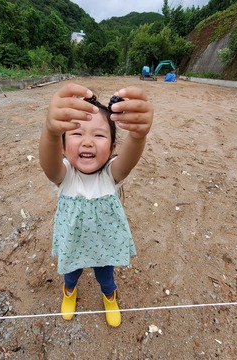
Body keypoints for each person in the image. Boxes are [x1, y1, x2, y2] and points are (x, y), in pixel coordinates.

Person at [39, 84, 153, 327]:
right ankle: (69, 293)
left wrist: (138, 135)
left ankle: (109, 297)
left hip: (105, 244)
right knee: (71, 275)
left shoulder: (111, 174)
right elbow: (48, 163)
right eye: (77, 134)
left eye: (99, 135)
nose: (88, 142)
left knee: (106, 276)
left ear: (113, 148)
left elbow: (129, 159)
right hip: (74, 243)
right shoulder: (65, 175)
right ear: (62, 146)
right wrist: (50, 132)